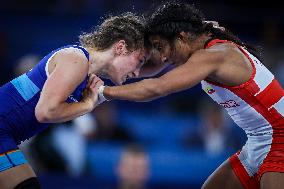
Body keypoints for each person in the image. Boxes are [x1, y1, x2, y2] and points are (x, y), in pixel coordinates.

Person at [97, 2, 284, 189]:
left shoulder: (215, 55)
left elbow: (158, 87)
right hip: (257, 141)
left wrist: (102, 93)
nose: (161, 57)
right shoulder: (201, 46)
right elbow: (146, 69)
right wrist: (98, 68)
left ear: (181, 37)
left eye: (160, 47)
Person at [0, 12, 147, 189]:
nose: (138, 73)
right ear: (121, 47)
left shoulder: (84, 74)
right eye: (139, 61)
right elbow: (45, 112)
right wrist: (87, 105)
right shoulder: (76, 59)